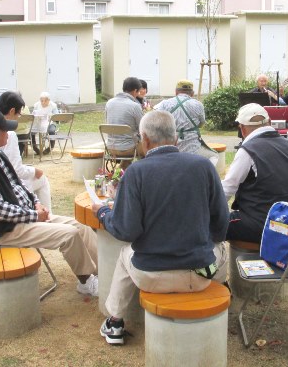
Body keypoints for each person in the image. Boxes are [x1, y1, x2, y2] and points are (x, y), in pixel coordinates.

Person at [91, 110, 229, 345]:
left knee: (125, 253)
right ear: (176, 139)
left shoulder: (136, 172)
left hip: (150, 276)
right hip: (200, 275)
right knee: (221, 246)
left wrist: (103, 213)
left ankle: (115, 322)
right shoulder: (203, 167)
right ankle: (223, 294)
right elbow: (221, 223)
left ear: (144, 139)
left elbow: (127, 230)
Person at [0, 110, 99, 297]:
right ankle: (86, 281)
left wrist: (36, 203)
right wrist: (35, 215)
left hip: (26, 217)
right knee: (70, 234)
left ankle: (102, 273)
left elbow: (19, 186)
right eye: (5, 131)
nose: (10, 135)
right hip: (9, 229)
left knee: (81, 227)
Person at [222, 103, 288, 243]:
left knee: (205, 222)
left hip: (261, 224)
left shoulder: (247, 151)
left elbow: (226, 190)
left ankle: (208, 263)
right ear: (270, 122)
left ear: (242, 129)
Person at [0, 91, 53, 211]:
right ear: (12, 111)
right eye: (19, 113)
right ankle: (48, 216)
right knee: (42, 178)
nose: (19, 117)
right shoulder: (8, 135)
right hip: (7, 187)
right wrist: (34, 171)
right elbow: (16, 170)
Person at [154, 79, 213, 157]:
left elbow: (157, 122)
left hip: (169, 146)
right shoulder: (198, 105)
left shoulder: (164, 104)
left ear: (176, 92)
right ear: (192, 93)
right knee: (212, 156)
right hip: (193, 147)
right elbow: (202, 123)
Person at [105, 77, 144, 166]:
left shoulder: (109, 103)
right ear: (135, 91)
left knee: (131, 141)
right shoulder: (135, 106)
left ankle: (122, 172)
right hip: (129, 149)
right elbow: (143, 127)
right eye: (138, 92)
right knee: (150, 145)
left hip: (111, 147)